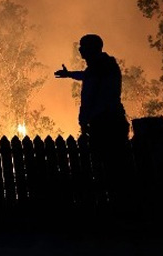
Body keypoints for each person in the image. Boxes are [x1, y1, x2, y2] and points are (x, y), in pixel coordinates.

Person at [54, 33, 131, 209]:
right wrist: (70, 74)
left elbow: (92, 95)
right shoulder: (103, 66)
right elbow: (88, 77)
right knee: (114, 167)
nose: (80, 49)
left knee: (108, 168)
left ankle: (116, 208)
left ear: (92, 48)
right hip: (110, 121)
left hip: (105, 124)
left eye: (83, 46)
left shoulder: (99, 68)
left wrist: (85, 119)